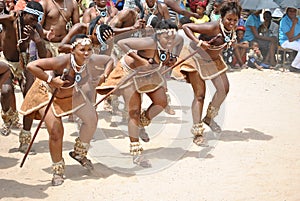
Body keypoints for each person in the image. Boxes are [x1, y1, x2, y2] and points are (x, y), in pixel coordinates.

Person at [19, 34, 114, 186]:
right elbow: (32, 66)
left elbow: (110, 60)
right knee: (56, 131)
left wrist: (104, 75)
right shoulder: (62, 61)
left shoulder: (92, 60)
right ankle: (58, 170)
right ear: (72, 50)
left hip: (72, 94)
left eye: (89, 49)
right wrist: (51, 80)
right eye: (82, 49)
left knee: (91, 119)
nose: (86, 53)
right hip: (49, 94)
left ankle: (79, 153)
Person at [98, 19, 180, 167]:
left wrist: (169, 60)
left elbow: (162, 58)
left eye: (172, 37)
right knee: (134, 111)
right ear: (157, 35)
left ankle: (142, 124)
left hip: (148, 73)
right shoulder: (149, 42)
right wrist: (140, 60)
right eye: (166, 37)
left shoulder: (168, 44)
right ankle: (136, 151)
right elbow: (122, 43)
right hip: (130, 72)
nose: (170, 40)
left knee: (161, 102)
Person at [181, 1, 241, 145]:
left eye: (235, 20)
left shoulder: (230, 29)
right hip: (197, 59)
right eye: (229, 19)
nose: (232, 23)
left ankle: (208, 118)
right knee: (200, 95)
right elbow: (186, 26)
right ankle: (197, 132)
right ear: (222, 17)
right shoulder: (212, 27)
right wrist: (199, 42)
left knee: (223, 89)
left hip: (214, 60)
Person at [0, 2, 47, 148]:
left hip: (25, 62)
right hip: (6, 60)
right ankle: (8, 118)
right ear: (23, 14)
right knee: (6, 91)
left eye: (36, 20)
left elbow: (44, 55)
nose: (34, 23)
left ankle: (25, 138)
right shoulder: (9, 20)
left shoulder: (36, 28)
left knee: (30, 99)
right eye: (31, 19)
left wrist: (37, 40)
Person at [279, 6, 300, 73]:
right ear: (287, 12)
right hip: (285, 41)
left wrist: (295, 38)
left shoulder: (298, 19)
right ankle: (294, 66)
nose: (292, 13)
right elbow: (290, 37)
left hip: (296, 40)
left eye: (294, 11)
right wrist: (294, 24)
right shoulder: (284, 21)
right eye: (290, 11)